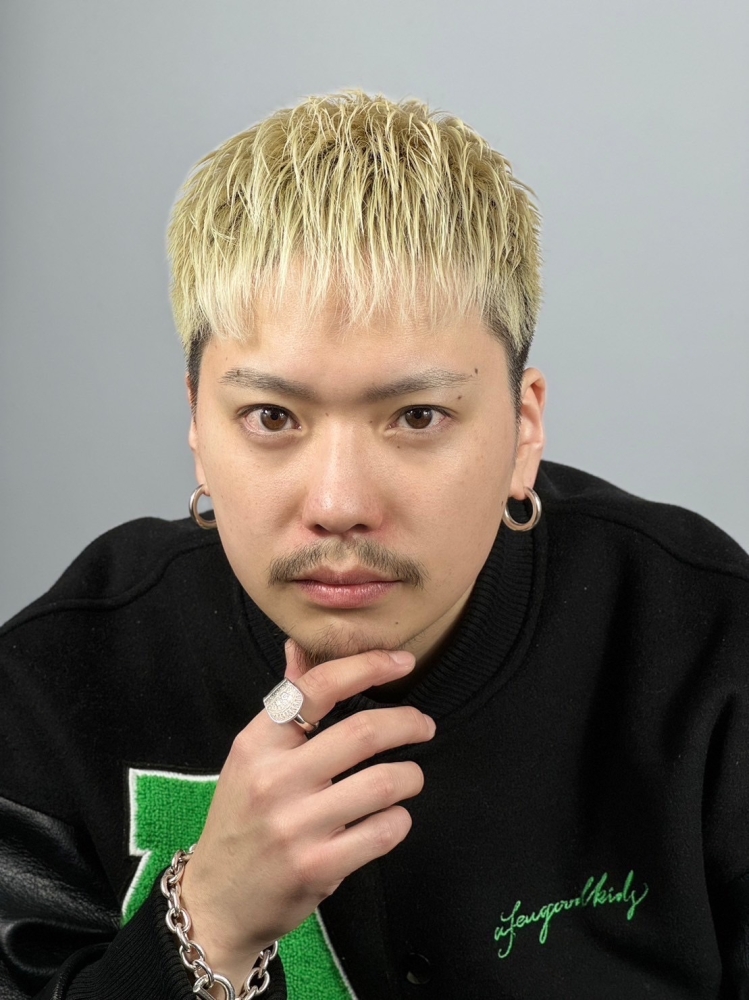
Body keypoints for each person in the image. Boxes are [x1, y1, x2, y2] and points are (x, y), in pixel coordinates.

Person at [1, 91, 748, 1000]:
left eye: (417, 416)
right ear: (196, 424)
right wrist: (209, 924)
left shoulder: (706, 647)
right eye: (271, 416)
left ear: (522, 429)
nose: (339, 505)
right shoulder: (58, 680)